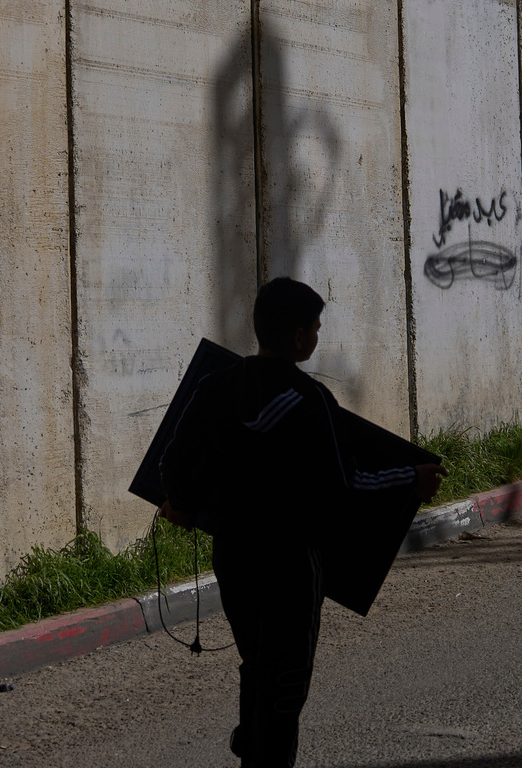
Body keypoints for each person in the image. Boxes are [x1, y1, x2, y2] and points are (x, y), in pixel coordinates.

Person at [158, 277, 446, 768]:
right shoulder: (309, 400)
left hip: (233, 557)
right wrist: (409, 479)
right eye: (315, 328)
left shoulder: (216, 385)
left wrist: (182, 505)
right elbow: (344, 486)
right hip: (288, 567)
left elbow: (173, 463)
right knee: (286, 683)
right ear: (297, 338)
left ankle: (252, 749)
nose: (316, 336)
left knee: (257, 662)